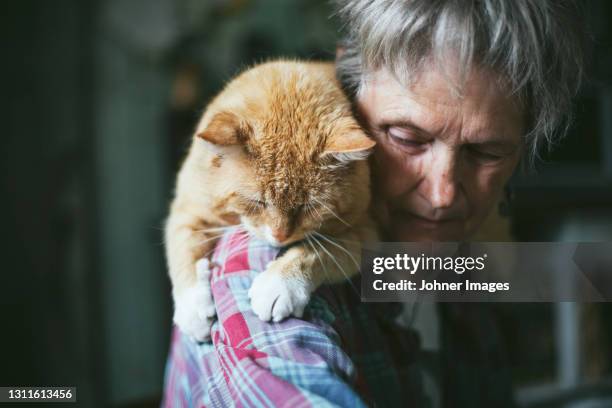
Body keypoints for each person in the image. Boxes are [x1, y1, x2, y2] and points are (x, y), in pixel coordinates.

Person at [162, 0, 584, 406]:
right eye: (407, 138)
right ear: (350, 95)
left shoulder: (447, 260)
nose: (443, 195)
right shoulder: (258, 271)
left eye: (486, 153)